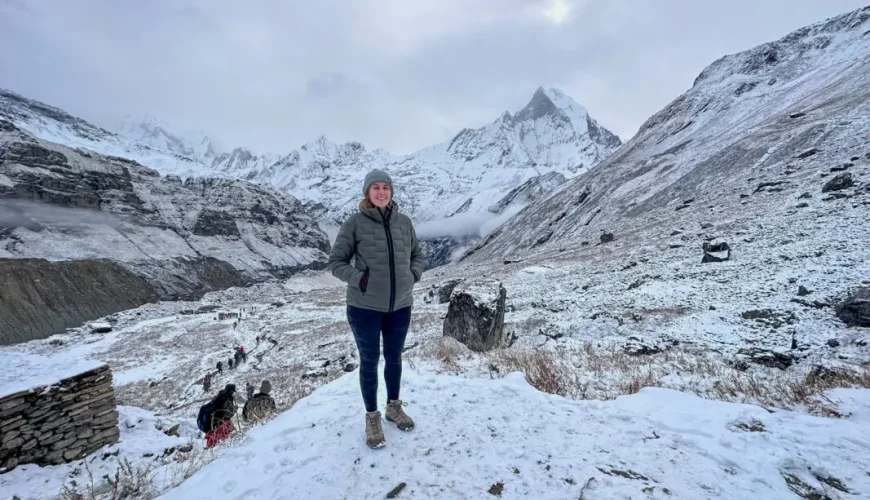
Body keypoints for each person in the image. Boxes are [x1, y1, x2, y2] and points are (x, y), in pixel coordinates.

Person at [327, 169, 424, 449]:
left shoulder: (404, 223)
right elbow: (336, 262)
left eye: (386, 187)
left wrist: (413, 275)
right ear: (367, 192)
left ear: (391, 191)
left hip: (400, 305)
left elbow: (417, 254)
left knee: (394, 358)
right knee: (369, 361)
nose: (381, 192)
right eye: (376, 188)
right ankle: (372, 417)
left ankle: (394, 407)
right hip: (364, 307)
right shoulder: (355, 223)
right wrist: (361, 280)